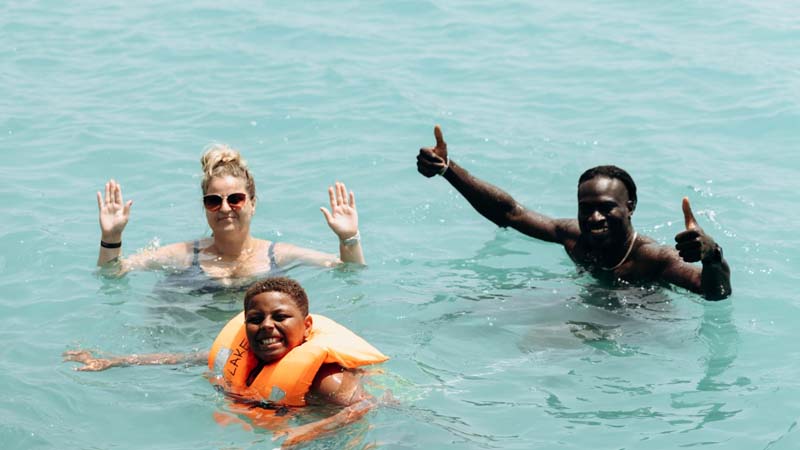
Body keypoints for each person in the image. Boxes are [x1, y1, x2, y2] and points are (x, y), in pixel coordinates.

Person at [64, 277, 390, 446]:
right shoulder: (246, 354)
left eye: (280, 317)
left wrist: (307, 433)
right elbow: (188, 358)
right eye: (255, 318)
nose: (266, 326)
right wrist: (115, 361)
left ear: (305, 327)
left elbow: (365, 406)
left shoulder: (327, 380)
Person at [416, 126, 731, 301]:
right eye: (586, 209)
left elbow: (714, 294)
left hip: (643, 324)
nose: (595, 218)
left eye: (607, 208)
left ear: (630, 206)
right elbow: (510, 213)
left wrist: (712, 255)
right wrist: (448, 170)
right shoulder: (573, 237)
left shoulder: (654, 258)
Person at [96, 144, 364, 287]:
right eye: (214, 201)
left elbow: (348, 269)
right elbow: (114, 273)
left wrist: (349, 238)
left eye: (235, 199)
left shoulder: (277, 255)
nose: (225, 208)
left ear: (253, 203)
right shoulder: (185, 256)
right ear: (205, 207)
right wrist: (111, 237)